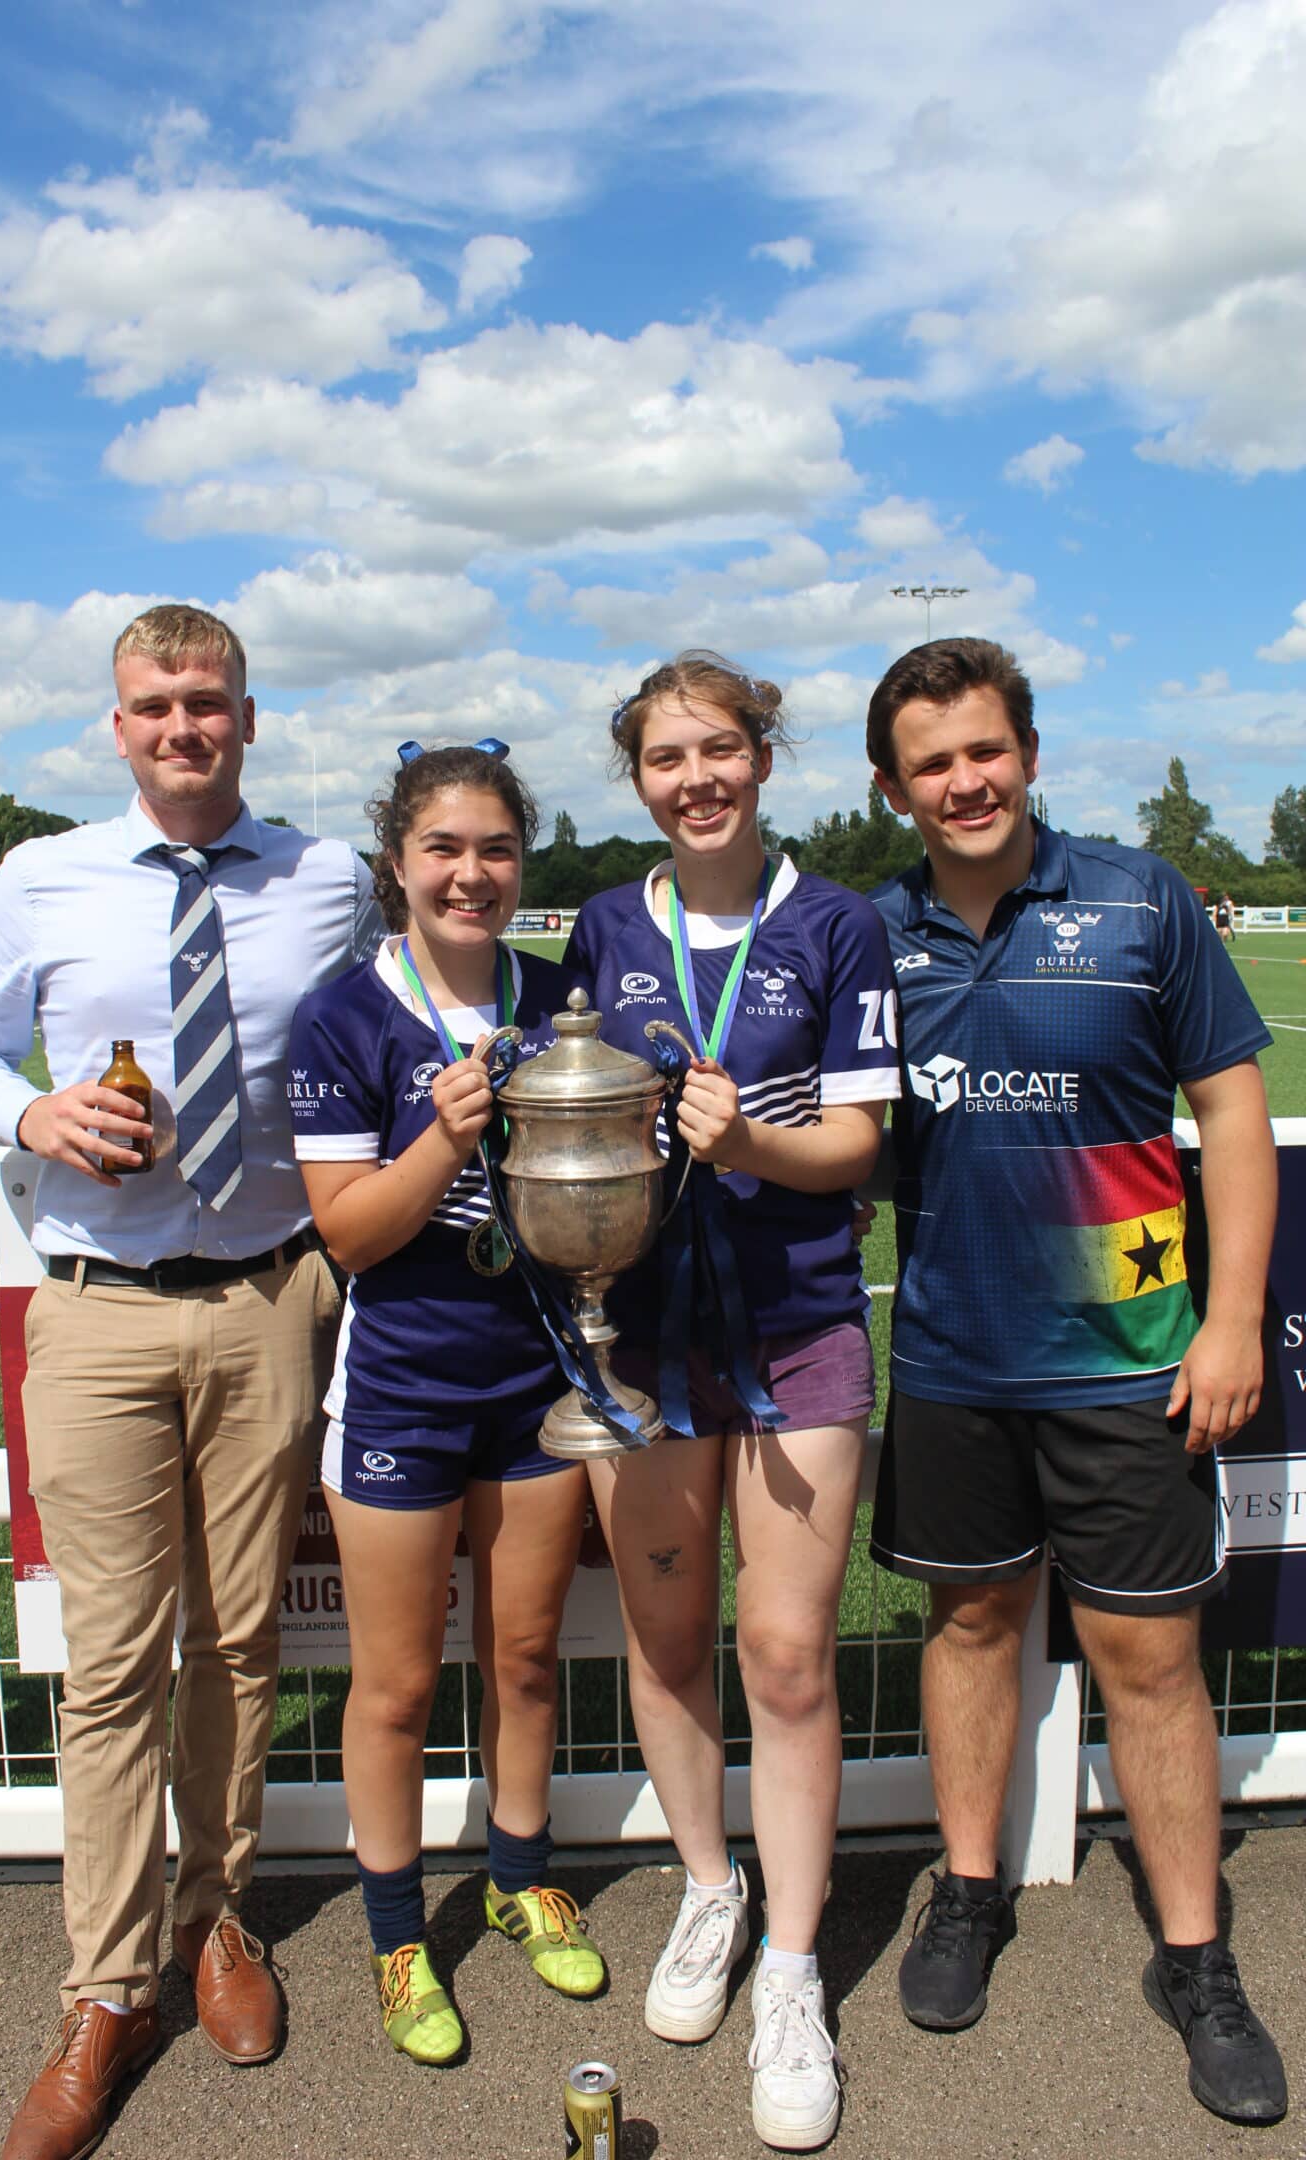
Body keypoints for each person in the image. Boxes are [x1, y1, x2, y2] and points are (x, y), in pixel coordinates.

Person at [0, 605, 383, 2160]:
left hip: (267, 1303)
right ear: (113, 727)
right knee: (112, 1664)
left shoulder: (328, 879)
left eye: (207, 703)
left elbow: (402, 1019)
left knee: (241, 1640)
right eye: (153, 706)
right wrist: (28, 1114)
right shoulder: (38, 877)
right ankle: (107, 1987)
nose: (181, 727)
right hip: (98, 1310)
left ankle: (217, 1918)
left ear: (248, 719)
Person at [867, 637, 1286, 2127]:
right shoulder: (873, 936)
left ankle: (1197, 1956)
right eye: (932, 762)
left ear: (1029, 755)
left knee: (1150, 1660)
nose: (964, 781)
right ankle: (968, 1891)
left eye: (986, 750)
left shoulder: (1141, 898)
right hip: (954, 1358)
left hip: (1129, 1357)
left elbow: (1231, 1109)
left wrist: (1230, 1319)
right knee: (971, 1620)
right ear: (893, 787)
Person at [564, 653, 900, 2152]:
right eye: (664, 757)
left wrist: (756, 1150)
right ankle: (709, 1887)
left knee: (784, 1650)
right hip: (636, 1332)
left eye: (719, 749)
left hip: (798, 1326)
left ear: (764, 759)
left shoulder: (837, 925)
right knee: (663, 1631)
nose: (694, 777)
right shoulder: (601, 927)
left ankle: (791, 1967)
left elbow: (859, 1144)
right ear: (636, 778)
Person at [288, 740, 604, 2067]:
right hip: (406, 1387)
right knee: (401, 1685)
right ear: (397, 866)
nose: (470, 874)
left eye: (494, 849)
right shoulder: (345, 1015)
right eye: (444, 849)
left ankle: (520, 1872)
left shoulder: (559, 996)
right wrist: (448, 1132)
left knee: (527, 1660)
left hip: (537, 1381)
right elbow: (350, 1234)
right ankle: (397, 1934)